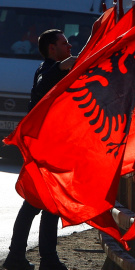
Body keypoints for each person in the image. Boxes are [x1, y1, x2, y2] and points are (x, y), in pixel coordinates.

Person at [3, 29, 77, 270]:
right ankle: (23, 257)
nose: (69, 47)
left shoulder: (53, 70)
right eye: (64, 43)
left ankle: (43, 258)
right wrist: (65, 66)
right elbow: (46, 84)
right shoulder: (47, 70)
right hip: (44, 149)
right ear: (52, 49)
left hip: (52, 147)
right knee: (35, 203)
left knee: (49, 204)